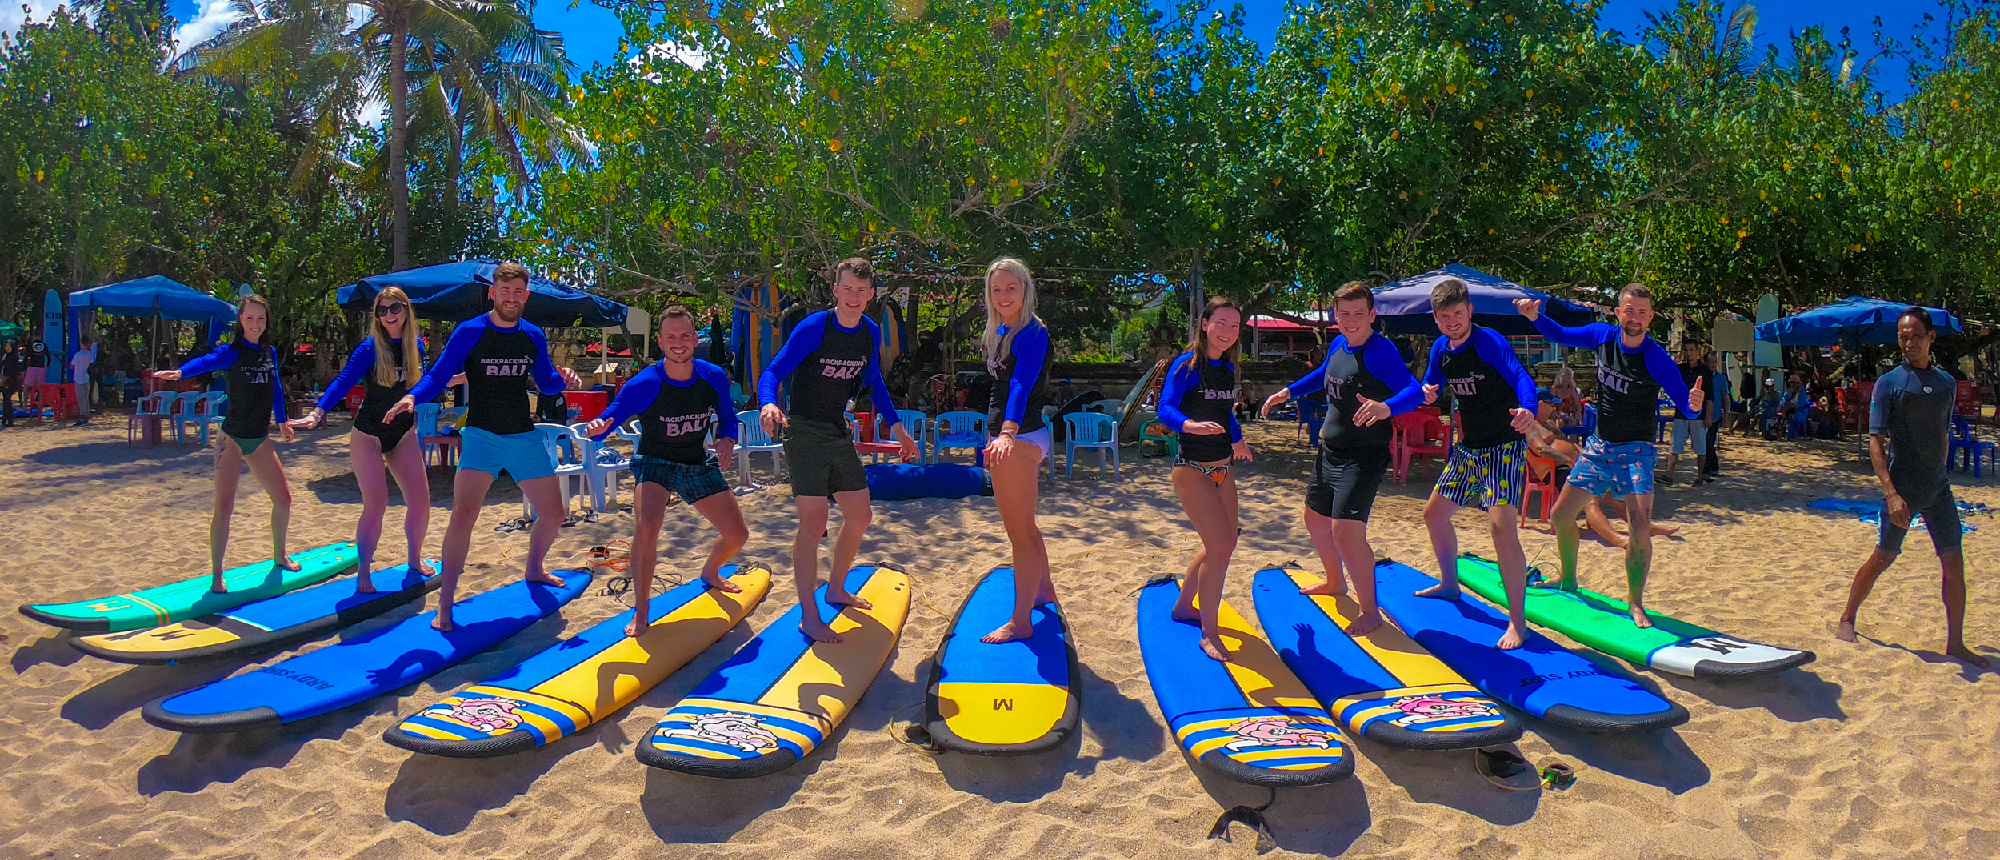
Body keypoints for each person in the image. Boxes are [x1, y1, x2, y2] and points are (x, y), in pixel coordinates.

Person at [382, 262, 584, 631]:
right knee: (463, 517)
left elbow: (547, 384)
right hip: (481, 437)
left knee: (553, 514)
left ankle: (535, 569)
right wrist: (413, 398)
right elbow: (440, 375)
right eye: (504, 291)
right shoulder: (470, 331)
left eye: (517, 292)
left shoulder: (533, 335)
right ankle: (444, 606)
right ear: (493, 293)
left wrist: (564, 377)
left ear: (526, 295)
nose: (511, 297)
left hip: (523, 435)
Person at [1517, 284, 1701, 628]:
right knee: (1560, 516)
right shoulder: (1602, 336)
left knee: (1640, 528)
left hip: (1637, 452)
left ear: (1651, 318)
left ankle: (1636, 603)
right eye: (1628, 311)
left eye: (1642, 313)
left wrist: (1693, 406)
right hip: (1601, 446)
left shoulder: (1657, 357)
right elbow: (1559, 332)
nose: (1634, 318)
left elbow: (1685, 407)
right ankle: (1569, 580)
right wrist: (1534, 317)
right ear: (1618, 312)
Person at [757, 256, 919, 643]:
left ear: (871, 294)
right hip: (804, 431)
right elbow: (774, 370)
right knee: (813, 524)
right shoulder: (815, 327)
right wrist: (768, 402)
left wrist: (899, 429)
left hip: (837, 430)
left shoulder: (870, 331)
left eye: (862, 290)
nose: (854, 296)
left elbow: (875, 381)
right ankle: (808, 615)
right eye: (847, 288)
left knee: (860, 516)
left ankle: (835, 588)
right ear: (836, 290)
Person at [1261, 282, 1424, 636]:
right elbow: (1323, 376)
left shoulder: (1380, 351)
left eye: (1358, 314)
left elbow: (1413, 391)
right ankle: (1335, 581)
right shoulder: (1338, 342)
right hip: (1329, 450)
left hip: (1364, 455)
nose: (1351, 321)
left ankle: (1370, 611)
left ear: (1372, 315)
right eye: (1344, 314)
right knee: (1315, 521)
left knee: (1346, 533)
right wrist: (1287, 392)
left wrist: (1385, 407)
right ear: (1336, 315)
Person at [586, 306, 750, 637]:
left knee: (738, 535)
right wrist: (597, 427)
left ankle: (710, 573)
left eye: (685, 336)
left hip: (695, 461)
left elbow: (727, 418)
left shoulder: (713, 376)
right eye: (671, 337)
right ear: (660, 342)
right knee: (647, 527)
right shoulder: (643, 383)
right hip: (654, 462)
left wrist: (727, 440)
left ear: (695, 339)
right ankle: (642, 609)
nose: (679, 343)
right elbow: (610, 418)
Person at [1834, 308, 1983, 667]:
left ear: (1931, 337)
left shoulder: (1946, 384)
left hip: (1938, 490)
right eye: (1903, 336)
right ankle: (1847, 617)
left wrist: (1942, 475)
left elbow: (1942, 435)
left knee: (1954, 564)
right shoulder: (1890, 383)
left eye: (1916, 336)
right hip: (1902, 489)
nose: (1909, 343)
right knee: (1883, 557)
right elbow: (1875, 441)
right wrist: (1891, 493)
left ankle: (1956, 643)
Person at [1411, 278, 1540, 649]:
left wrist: (1528, 410)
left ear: (1469, 311)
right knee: (1434, 516)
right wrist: (1428, 389)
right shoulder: (1440, 348)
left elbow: (1521, 376)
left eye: (1458, 313)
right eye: (1444, 316)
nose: (1452, 321)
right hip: (1469, 449)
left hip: (1502, 446)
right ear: (1435, 318)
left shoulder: (1488, 341)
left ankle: (1518, 621)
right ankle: (1450, 584)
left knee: (1502, 531)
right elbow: (1430, 382)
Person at [291, 287, 438, 592]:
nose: (388, 316)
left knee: (421, 502)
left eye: (394, 308)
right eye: (381, 311)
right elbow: (344, 381)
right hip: (368, 435)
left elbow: (427, 383)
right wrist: (317, 413)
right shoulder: (370, 347)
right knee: (377, 502)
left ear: (406, 310)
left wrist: (459, 378)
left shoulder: (416, 347)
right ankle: (363, 573)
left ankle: (414, 559)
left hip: (402, 433)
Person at [152, 295, 300, 592]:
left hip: (258, 439)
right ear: (241, 321)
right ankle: (217, 575)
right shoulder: (231, 352)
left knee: (284, 500)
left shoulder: (269, 352)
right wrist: (181, 372)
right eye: (249, 318)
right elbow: (206, 362)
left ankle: (280, 555)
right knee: (224, 507)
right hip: (231, 438)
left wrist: (282, 422)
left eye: (261, 318)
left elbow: (276, 390)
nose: (255, 324)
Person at [1163, 297, 1254, 660]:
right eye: (1221, 323)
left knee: (1223, 542)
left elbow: (1223, 411)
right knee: (1220, 547)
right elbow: (1166, 407)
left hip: (1224, 466)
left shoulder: (1226, 367)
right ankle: (1210, 633)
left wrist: (1238, 439)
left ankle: (1185, 604)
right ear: (1204, 324)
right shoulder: (1188, 364)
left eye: (1235, 326)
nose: (1228, 332)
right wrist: (1189, 425)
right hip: (1191, 468)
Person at [977, 258, 1057, 644]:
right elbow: (996, 388)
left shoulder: (1032, 332)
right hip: (1007, 437)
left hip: (1021, 435)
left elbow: (1020, 386)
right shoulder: (1000, 331)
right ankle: (1044, 590)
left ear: (1025, 288)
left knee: (1020, 534)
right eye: (997, 289)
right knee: (1026, 527)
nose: (1004, 295)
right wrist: (993, 435)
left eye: (1011, 287)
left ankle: (1021, 621)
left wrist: (1007, 433)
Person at [1661, 341, 1710, 485]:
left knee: (1700, 447)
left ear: (1697, 351)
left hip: (1699, 415)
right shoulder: (1680, 369)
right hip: (1681, 413)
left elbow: (1710, 396)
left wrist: (1708, 416)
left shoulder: (1704, 371)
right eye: (1686, 350)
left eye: (1692, 350)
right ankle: (1669, 474)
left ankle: (1700, 476)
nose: (1689, 353)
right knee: (1675, 445)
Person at [70, 337, 97, 425]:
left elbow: (72, 365)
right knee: (86, 398)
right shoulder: (89, 354)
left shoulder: (78, 354)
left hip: (78, 377)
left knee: (81, 398)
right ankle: (86, 415)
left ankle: (82, 417)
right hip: (85, 377)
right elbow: (92, 360)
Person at [0, 341, 22, 428]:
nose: (7, 348)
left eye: (9, 346)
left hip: (10, 381)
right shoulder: (5, 356)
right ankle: (8, 420)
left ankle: (6, 420)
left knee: (7, 401)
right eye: (6, 346)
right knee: (6, 401)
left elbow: (15, 371)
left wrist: (6, 379)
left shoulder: (14, 357)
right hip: (4, 380)